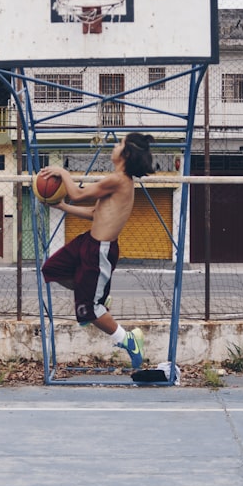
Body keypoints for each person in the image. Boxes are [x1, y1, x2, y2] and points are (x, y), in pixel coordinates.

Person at [37, 132, 155, 369]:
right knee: (51, 268)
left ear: (127, 154)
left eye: (120, 143)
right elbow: (94, 213)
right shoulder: (117, 180)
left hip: (100, 250)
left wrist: (63, 173)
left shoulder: (119, 180)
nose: (115, 145)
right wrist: (62, 206)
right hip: (88, 242)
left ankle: (128, 339)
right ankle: (96, 296)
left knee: (89, 310)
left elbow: (77, 194)